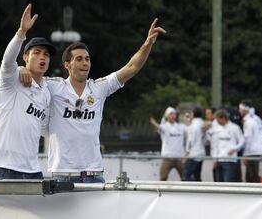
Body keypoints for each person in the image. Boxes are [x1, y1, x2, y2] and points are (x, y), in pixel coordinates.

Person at [21, 18, 166, 183]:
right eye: (79, 59)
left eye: (87, 59)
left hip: (94, 174)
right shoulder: (53, 86)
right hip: (63, 175)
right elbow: (32, 75)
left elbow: (131, 68)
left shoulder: (99, 88)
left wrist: (148, 43)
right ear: (67, 65)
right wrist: (21, 68)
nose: (85, 63)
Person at [0, 4, 57, 179]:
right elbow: (8, 61)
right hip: (3, 166)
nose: (42, 57)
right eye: (37, 53)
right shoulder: (12, 80)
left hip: (32, 169)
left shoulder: (46, 90)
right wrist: (21, 33)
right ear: (25, 57)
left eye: (46, 55)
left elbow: (45, 128)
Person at [150, 107, 187, 181]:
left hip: (180, 158)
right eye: (171, 114)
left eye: (174, 114)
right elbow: (159, 127)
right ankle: (162, 192)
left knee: (185, 178)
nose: (173, 116)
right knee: (163, 177)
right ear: (167, 116)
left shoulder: (181, 126)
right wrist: (154, 123)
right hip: (167, 158)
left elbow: (190, 129)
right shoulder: (164, 126)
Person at [211, 109, 244, 182]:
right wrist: (215, 159)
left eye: (218, 120)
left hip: (230, 160)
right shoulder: (217, 128)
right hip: (219, 159)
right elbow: (215, 145)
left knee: (228, 181)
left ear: (223, 118)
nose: (217, 122)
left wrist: (234, 149)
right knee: (218, 181)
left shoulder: (235, 128)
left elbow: (242, 142)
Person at [239, 99, 262, 182]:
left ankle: (255, 195)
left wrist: (245, 154)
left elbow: (248, 138)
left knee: (251, 178)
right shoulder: (257, 118)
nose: (239, 111)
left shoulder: (248, 121)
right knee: (254, 176)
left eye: (240, 109)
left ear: (245, 109)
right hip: (258, 151)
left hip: (251, 152)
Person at [183, 106, 205, 181]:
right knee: (197, 176)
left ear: (192, 113)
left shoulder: (193, 126)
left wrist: (186, 154)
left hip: (193, 154)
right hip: (201, 153)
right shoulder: (203, 123)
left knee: (186, 176)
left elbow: (190, 141)